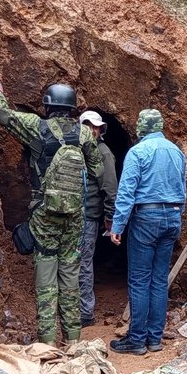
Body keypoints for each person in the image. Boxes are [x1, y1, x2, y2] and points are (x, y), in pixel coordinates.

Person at [0, 80, 102, 345]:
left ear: (48, 105)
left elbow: (2, 115)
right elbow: (96, 168)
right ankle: (74, 340)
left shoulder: (36, 127)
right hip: (75, 215)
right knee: (70, 277)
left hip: (45, 215)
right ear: (73, 107)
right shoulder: (85, 134)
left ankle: (49, 343)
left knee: (46, 279)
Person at [107, 109, 187, 355]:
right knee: (159, 279)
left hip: (146, 217)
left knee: (140, 279)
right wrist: (176, 216)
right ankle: (155, 339)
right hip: (172, 216)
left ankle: (137, 340)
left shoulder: (138, 152)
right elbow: (183, 188)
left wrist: (117, 225)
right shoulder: (177, 152)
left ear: (142, 128)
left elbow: (126, 192)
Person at [78, 109, 118, 327]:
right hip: (73, 216)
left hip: (90, 216)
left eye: (95, 126)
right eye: (87, 125)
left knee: (83, 263)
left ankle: (85, 313)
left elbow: (110, 188)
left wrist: (111, 217)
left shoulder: (102, 152)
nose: (92, 130)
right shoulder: (77, 150)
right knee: (73, 262)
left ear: (101, 130)